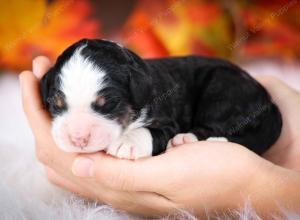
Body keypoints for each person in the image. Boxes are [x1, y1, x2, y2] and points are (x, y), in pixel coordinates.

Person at [19, 56, 300, 219]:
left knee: (224, 107)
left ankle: (214, 133)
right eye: (59, 105)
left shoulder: (149, 94)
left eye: (105, 106)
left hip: (223, 88)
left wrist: (255, 186)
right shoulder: (131, 82)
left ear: (136, 92)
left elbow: (163, 129)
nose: (78, 133)